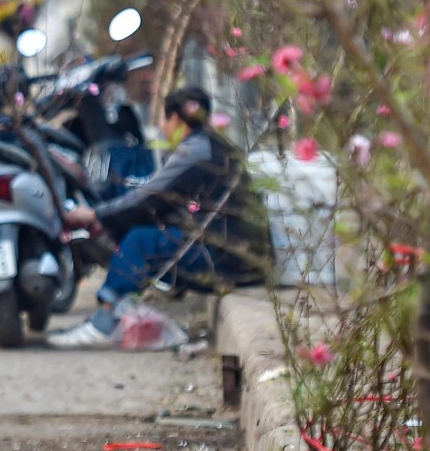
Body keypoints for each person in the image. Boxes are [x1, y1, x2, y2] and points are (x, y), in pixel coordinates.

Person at [51, 85, 268, 349]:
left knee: (140, 242)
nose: (163, 128)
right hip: (240, 256)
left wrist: (95, 214)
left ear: (175, 119)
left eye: (165, 121)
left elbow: (149, 197)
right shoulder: (214, 145)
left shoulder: (196, 150)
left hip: (230, 261)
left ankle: (102, 325)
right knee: (145, 233)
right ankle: (117, 314)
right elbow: (163, 203)